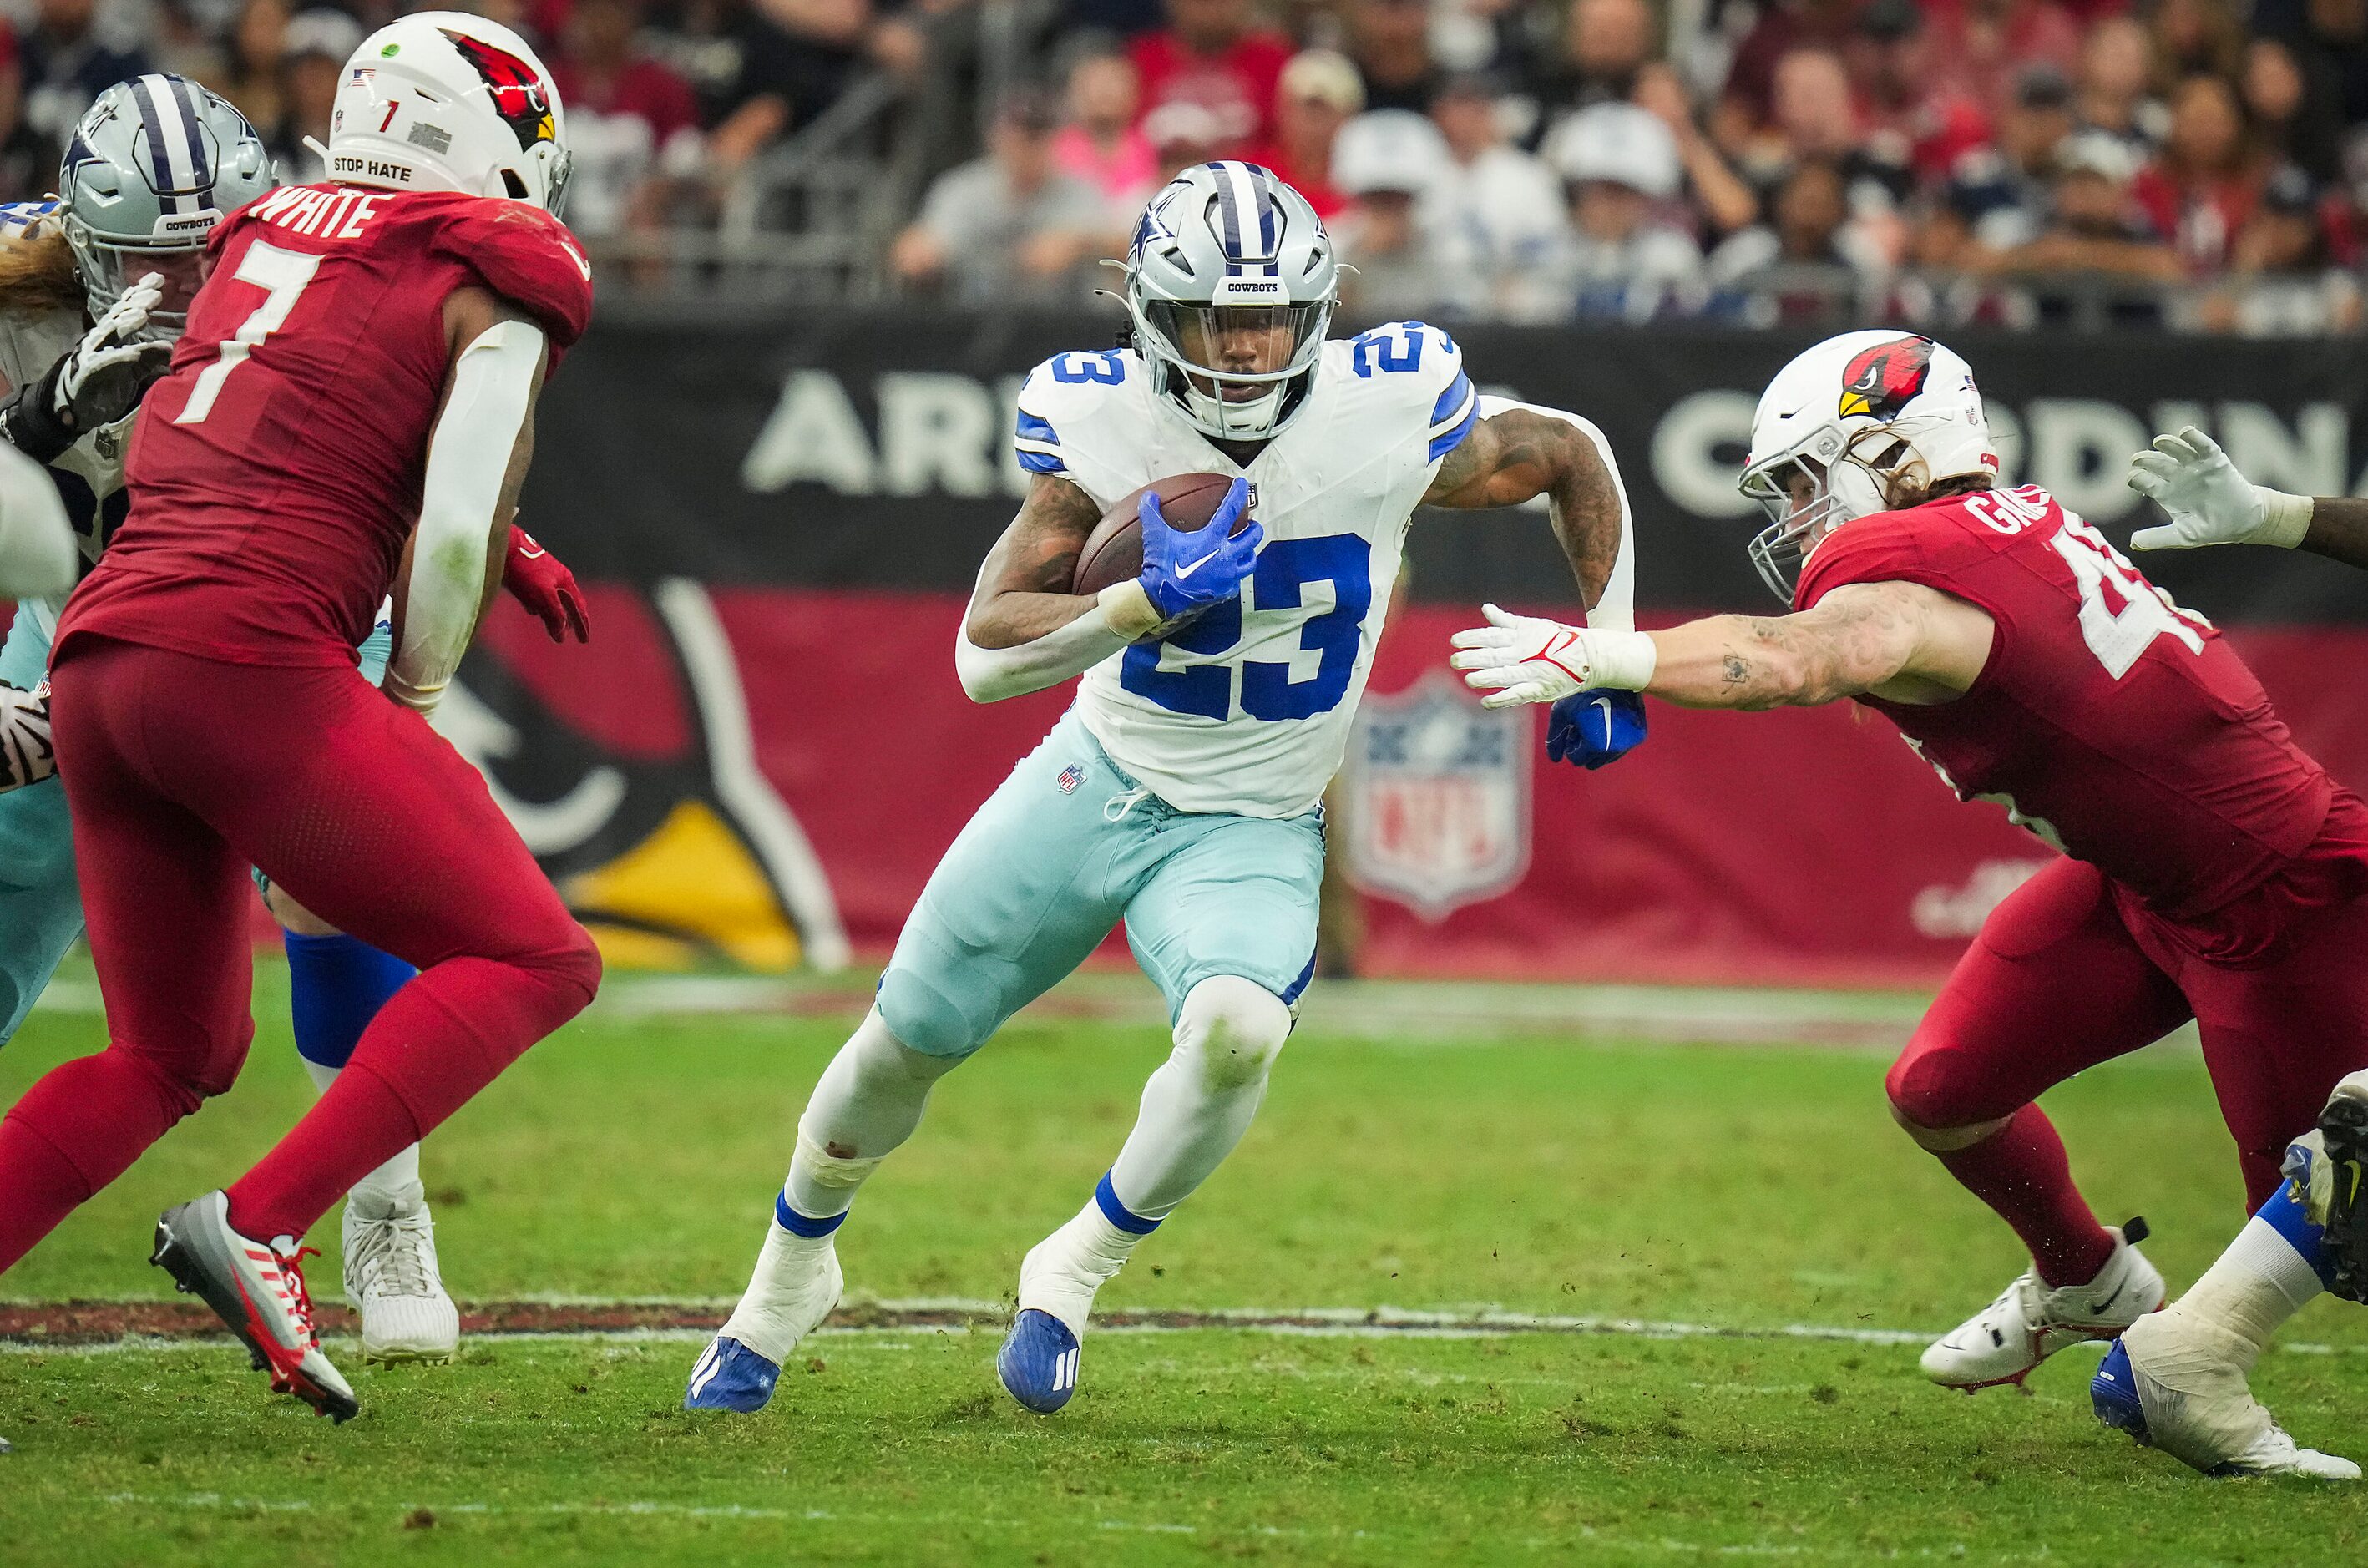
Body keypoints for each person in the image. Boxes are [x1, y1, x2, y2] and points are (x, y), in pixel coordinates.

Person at [684, 159, 1640, 1419]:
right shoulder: (1102, 423)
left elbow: (1573, 450)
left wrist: (1611, 653)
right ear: (1151, 314)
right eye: (1214, 319)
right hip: (1099, 777)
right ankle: (786, 1276)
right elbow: (984, 652)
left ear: (1316, 314)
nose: (1246, 351)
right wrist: (1138, 599)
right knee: (902, 1040)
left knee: (1243, 1026)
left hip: (1255, 819)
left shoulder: (1386, 405)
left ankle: (1072, 1269)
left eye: (1270, 319)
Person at [1449, 331, 2368, 1476]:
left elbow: (1803, 658)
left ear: (1889, 451)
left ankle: (2191, 1361)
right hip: (2140, 883)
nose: (1790, 514)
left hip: (2284, 896)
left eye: (1799, 477)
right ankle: (2086, 1276)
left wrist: (1612, 656)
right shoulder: (2003, 519)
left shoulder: (1912, 559)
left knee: (2341, 1211)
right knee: (1941, 1091)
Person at [0, 13, 602, 1424]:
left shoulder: (274, 234)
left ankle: (341, 1212)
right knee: (538, 955)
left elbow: (280, 416)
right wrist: (408, 697)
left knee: (171, 1051)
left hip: (101, 665)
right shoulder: (498, 262)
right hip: (242, 659)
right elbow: (445, 513)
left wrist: (501, 543)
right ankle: (270, 1220)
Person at [890, 91, 1111, 306]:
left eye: (1037, 136)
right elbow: (922, 247)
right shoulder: (963, 190)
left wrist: (1079, 244)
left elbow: (1122, 246)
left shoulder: (1081, 192)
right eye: (1018, 136)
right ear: (996, 137)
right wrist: (921, 253)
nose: (1027, 147)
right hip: (971, 322)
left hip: (1059, 323)